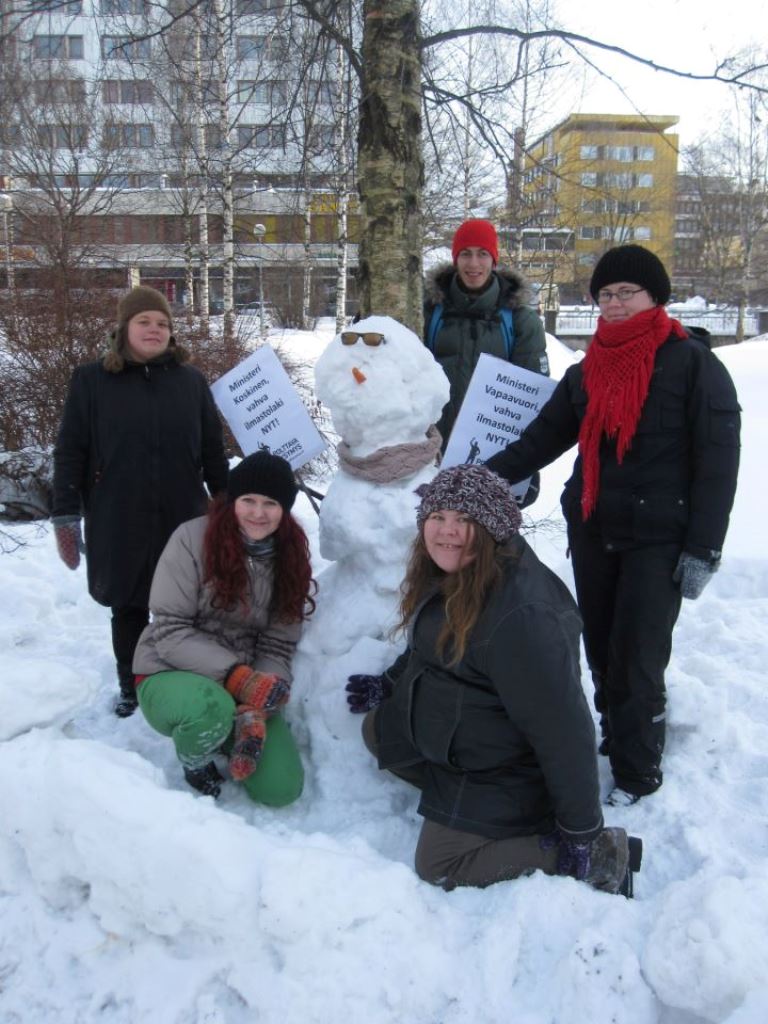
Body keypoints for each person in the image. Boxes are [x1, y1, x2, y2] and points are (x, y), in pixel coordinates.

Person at [485, 244, 741, 806]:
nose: (616, 304)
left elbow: (719, 461)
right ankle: (616, 736)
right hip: (595, 528)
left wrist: (704, 547)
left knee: (638, 654)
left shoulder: (693, 363)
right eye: (605, 295)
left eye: (627, 293)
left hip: (659, 537)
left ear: (655, 297)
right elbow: (543, 438)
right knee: (600, 647)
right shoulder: (587, 370)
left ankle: (638, 771)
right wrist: (484, 476)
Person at [346, 465, 639, 895]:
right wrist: (390, 683)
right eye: (438, 517)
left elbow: (564, 730)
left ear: (491, 528)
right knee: (379, 733)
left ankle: (594, 852)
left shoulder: (522, 617)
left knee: (440, 865)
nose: (447, 531)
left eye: (465, 520)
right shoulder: (453, 570)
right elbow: (429, 647)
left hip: (502, 768)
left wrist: (581, 830)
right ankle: (463, 808)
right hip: (462, 739)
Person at [51, 285, 229, 717]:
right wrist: (64, 515)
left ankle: (183, 675)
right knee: (128, 605)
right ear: (123, 328)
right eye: (144, 321)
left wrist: (227, 508)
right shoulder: (91, 381)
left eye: (163, 323)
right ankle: (132, 685)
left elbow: (212, 451)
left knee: (184, 606)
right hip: (117, 515)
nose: (154, 329)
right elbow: (70, 450)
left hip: (181, 514)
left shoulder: (190, 383)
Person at [132, 451, 315, 803]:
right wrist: (237, 677)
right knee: (210, 708)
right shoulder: (190, 539)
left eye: (270, 503)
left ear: (285, 509)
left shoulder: (290, 558)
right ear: (233, 500)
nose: (258, 513)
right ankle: (196, 759)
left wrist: (256, 705)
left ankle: (235, 725)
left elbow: (278, 645)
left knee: (281, 789)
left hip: (240, 684)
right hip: (168, 670)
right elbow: (170, 631)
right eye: (248, 500)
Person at [423, 219, 550, 451]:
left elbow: (530, 404)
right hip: (431, 452)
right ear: (455, 259)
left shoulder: (521, 320)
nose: (473, 264)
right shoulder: (429, 313)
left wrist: (527, 479)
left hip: (492, 454)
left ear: (494, 259)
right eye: (465, 254)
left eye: (482, 253)